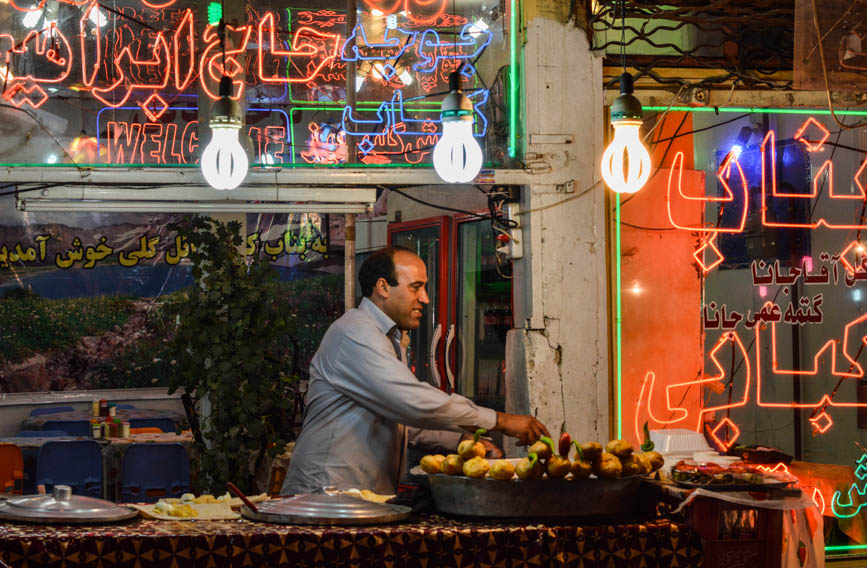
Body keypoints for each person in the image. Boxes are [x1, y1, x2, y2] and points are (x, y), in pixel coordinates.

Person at [281, 245, 549, 495]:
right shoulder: (355, 332)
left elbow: (400, 419)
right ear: (383, 287)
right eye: (416, 288)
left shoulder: (387, 337)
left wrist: (460, 440)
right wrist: (500, 421)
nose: (425, 299)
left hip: (357, 497)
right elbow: (412, 403)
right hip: (325, 496)